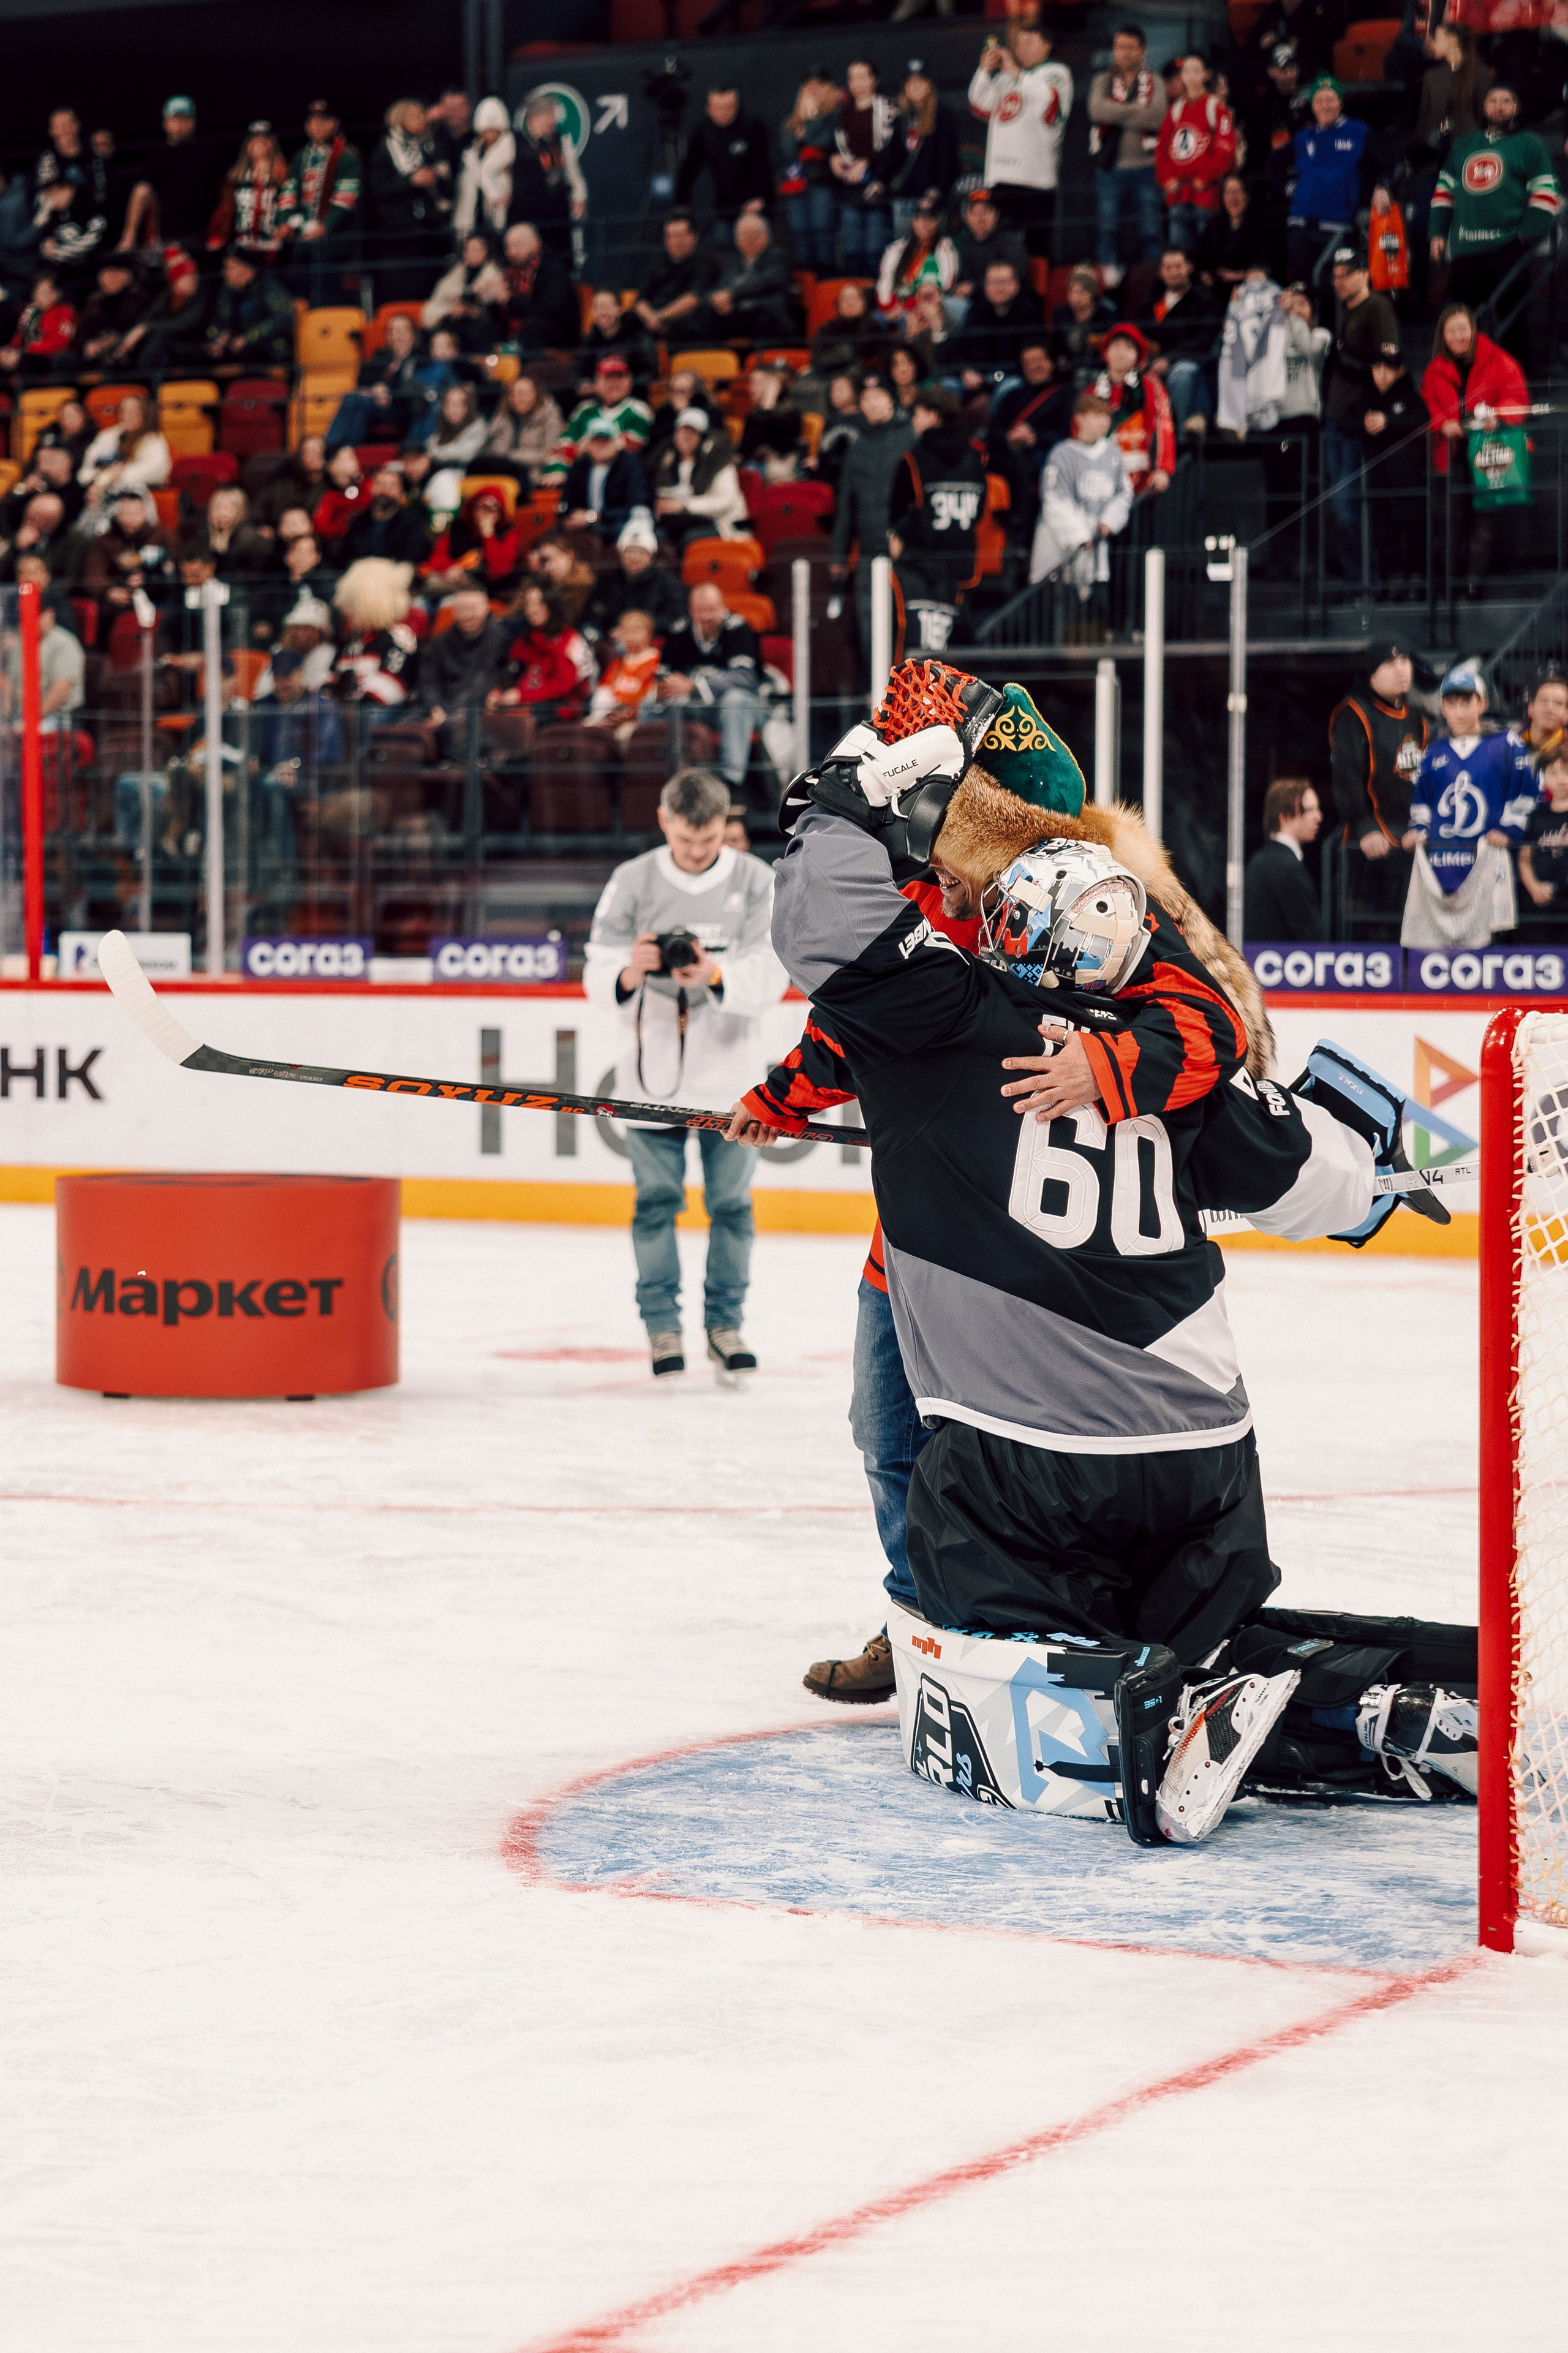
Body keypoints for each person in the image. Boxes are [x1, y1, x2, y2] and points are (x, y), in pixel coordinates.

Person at [584, 765, 786, 1378]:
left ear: (725, 827)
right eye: (685, 840)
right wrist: (628, 971)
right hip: (650, 1078)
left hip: (732, 1083)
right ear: (665, 822)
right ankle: (663, 1331)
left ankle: (725, 1325)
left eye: (708, 841)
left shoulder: (756, 880)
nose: (697, 852)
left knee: (731, 1206)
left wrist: (716, 977)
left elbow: (772, 970)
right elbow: (597, 966)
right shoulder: (632, 879)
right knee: (654, 1204)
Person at [1404, 661, 1534, 948]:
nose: (1460, 712)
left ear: (1483, 703)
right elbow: (1422, 802)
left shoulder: (1506, 744)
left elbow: (1525, 793)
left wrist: (1509, 829)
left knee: (1491, 946)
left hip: (1488, 864)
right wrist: (1418, 829)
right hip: (1443, 866)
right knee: (1438, 951)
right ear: (1443, 707)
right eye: (1452, 704)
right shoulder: (1433, 751)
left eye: (1467, 702)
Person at [1430, 81, 1560, 351]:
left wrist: (1526, 234)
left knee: (1511, 323)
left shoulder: (1530, 144)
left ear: (1516, 108)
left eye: (1505, 101)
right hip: (1466, 248)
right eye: (1493, 101)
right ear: (1484, 106)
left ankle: (1515, 385)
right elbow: (1444, 193)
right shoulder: (1465, 144)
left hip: (1508, 247)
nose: (1498, 108)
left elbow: (1546, 193)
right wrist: (1437, 233)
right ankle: (1465, 380)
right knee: (1462, 324)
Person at [1420, 302, 1527, 597]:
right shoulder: (1434, 370)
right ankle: (1450, 584)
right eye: (1451, 331)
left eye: (1463, 329)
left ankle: (1473, 584)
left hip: (1488, 452)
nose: (1458, 336)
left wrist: (1499, 415)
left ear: (1473, 329)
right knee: (1449, 522)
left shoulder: (1498, 360)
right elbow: (1427, 405)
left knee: (1485, 520)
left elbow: (1517, 396)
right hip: (1451, 455)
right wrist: (1443, 425)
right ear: (1443, 335)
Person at [1329, 638, 1428, 934]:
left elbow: (1428, 783)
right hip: (1368, 848)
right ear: (1372, 674)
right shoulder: (1353, 712)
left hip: (1411, 842)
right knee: (1370, 931)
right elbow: (1345, 776)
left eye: (1405, 661)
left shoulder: (1420, 719)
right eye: (1390, 663)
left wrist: (1423, 825)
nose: (1401, 670)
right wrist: (1364, 826)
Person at [1319, 244, 1399, 586]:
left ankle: (1369, 581)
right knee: (1341, 510)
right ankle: (1358, 580)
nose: (1339, 282)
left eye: (1346, 275)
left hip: (1357, 422)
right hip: (1335, 422)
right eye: (1336, 276)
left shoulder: (1377, 306)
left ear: (1364, 273)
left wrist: (1349, 359)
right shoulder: (1345, 311)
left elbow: (1390, 364)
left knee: (1350, 508)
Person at [887, 386, 986, 655]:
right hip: (965, 567)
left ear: (933, 415)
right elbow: (980, 509)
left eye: (917, 413)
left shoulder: (912, 459)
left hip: (922, 569)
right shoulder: (977, 457)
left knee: (921, 650)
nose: (913, 420)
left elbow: (898, 514)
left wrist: (902, 535)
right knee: (959, 660)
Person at [967, 24, 1074, 261]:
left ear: (1046, 45)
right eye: (1019, 42)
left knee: (1035, 250)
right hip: (1001, 176)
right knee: (999, 249)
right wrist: (984, 71)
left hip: (1034, 180)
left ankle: (1035, 298)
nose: (1021, 48)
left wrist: (1016, 73)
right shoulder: (1008, 78)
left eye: (1029, 42)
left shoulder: (1056, 72)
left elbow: (1049, 103)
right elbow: (979, 105)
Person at [1030, 388, 1134, 624]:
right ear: (1079, 419)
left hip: (1098, 547)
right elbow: (1054, 499)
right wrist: (1079, 534)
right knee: (1061, 611)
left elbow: (1124, 493)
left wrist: (1110, 521)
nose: (1104, 422)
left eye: (1106, 416)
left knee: (1095, 612)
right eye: (1096, 415)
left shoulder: (1113, 454)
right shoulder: (1062, 454)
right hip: (1065, 547)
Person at [829, 376, 914, 663]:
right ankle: (877, 693)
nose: (871, 404)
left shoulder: (912, 438)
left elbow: (920, 497)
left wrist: (906, 535)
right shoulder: (857, 448)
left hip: (908, 552)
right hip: (869, 553)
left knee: (906, 623)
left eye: (878, 396)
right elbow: (846, 506)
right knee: (870, 624)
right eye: (866, 399)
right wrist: (839, 555)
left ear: (891, 400)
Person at [657, 583, 763, 790]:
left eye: (712, 610)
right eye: (700, 611)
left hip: (747, 708)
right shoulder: (679, 630)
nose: (706, 617)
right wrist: (669, 685)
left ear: (723, 607)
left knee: (736, 699)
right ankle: (661, 776)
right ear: (691, 610)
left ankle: (731, 782)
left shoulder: (739, 628)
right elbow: (663, 674)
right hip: (696, 707)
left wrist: (694, 685)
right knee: (651, 704)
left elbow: (746, 678)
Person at [1088, 25, 1168, 281]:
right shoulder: (1103, 80)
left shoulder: (1155, 81)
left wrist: (1118, 113)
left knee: (1151, 230)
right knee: (1107, 230)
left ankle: (1151, 280)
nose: (1124, 53)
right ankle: (1109, 284)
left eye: (1130, 47)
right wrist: (1136, 112)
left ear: (1142, 51)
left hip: (1147, 167)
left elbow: (1157, 118)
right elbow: (1096, 111)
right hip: (1111, 169)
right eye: (1119, 47)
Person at [987, 339, 1074, 561]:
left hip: (1045, 457)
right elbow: (993, 432)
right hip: (1006, 455)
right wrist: (1009, 437)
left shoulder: (1065, 395)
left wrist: (1034, 438)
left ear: (1051, 363)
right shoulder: (1012, 396)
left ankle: (1019, 535)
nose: (1035, 366)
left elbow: (1067, 433)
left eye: (1039, 360)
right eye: (1029, 362)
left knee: (1021, 463)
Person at [1352, 341, 1430, 588]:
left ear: (1400, 371)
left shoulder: (1409, 395)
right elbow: (1346, 421)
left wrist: (1389, 421)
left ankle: (1418, 577)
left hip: (1409, 480)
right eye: (1378, 367)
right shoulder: (1365, 397)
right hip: (1379, 481)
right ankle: (1394, 579)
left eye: (1390, 368)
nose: (1383, 373)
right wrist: (1364, 423)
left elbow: (1422, 419)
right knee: (1384, 530)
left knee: (1413, 526)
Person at [1287, 78, 1371, 287]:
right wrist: (1289, 188)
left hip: (1336, 226)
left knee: (1332, 287)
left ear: (1341, 102)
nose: (1326, 105)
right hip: (1299, 225)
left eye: (1331, 99)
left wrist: (1381, 187)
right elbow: (1273, 164)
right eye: (1320, 101)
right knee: (1302, 287)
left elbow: (1380, 166)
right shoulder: (1303, 137)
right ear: (1313, 106)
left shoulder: (1358, 132)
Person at [279, 100, 362, 302]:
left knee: (327, 298)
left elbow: (346, 198)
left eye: (324, 121)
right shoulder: (301, 156)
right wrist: (286, 221)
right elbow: (289, 190)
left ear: (334, 124)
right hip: (302, 243)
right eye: (313, 121)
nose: (317, 126)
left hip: (333, 246)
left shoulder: (346, 157)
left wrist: (325, 227)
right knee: (298, 298)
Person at [369, 99, 451, 300]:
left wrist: (436, 176)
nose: (423, 120)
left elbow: (448, 180)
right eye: (416, 116)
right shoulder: (385, 150)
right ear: (400, 120)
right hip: (401, 238)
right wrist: (410, 181)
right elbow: (378, 188)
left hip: (432, 234)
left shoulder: (431, 145)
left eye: (423, 115)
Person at [1155, 53, 1237, 255]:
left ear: (1206, 75)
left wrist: (1205, 177)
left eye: (1196, 71)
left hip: (1206, 196)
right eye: (1186, 72)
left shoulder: (1215, 107)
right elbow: (1161, 150)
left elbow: (1225, 148)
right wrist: (1166, 179)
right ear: (1181, 76)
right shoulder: (1176, 110)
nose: (1191, 76)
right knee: (1181, 254)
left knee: (1208, 253)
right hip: (1178, 196)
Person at [120, 96, 222, 254]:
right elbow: (142, 192)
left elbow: (227, 192)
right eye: (175, 119)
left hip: (205, 238)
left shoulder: (211, 153)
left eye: (185, 119)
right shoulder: (157, 156)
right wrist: (129, 237)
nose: (180, 125)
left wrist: (221, 233)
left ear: (194, 121)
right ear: (165, 123)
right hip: (168, 239)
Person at [423, 579, 513, 756]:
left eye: (473, 608)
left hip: (475, 711)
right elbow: (428, 680)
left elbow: (485, 681)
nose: (467, 615)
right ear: (454, 611)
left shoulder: (501, 639)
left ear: (487, 607)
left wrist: (447, 715)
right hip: (440, 711)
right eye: (462, 609)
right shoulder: (440, 642)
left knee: (459, 726)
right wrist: (435, 707)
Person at [674, 86, 772, 247]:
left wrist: (760, 198)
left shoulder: (752, 127)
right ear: (708, 109)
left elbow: (764, 166)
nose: (723, 113)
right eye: (718, 108)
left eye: (729, 107)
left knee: (756, 248)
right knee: (723, 252)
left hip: (754, 209)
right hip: (724, 210)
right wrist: (681, 207)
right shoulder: (703, 133)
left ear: (737, 107)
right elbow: (688, 172)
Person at [1137, 245, 1221, 435]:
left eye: (1178, 266)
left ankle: (1183, 441)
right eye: (1168, 268)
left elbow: (1205, 340)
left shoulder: (1204, 299)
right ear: (1160, 271)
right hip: (1152, 362)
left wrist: (1170, 359)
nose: (1173, 272)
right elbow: (1140, 333)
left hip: (1190, 361)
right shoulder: (1151, 300)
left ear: (1189, 268)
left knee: (1182, 374)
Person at [830, 61, 903, 275]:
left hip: (877, 192)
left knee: (875, 251)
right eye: (852, 78)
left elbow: (895, 150)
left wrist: (867, 162)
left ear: (874, 80)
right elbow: (835, 147)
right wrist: (834, 159)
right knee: (852, 252)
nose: (857, 83)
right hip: (850, 192)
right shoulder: (842, 114)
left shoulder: (889, 109)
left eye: (863, 77)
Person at [1093, 323, 1174, 494]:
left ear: (1138, 356)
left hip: (1141, 480)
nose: (1121, 352)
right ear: (1106, 353)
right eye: (1115, 346)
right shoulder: (1092, 391)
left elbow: (1163, 424)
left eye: (1128, 347)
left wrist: (1162, 468)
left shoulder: (1150, 385)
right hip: (1099, 480)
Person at [330, 556, 420, 711]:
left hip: (380, 717)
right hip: (349, 716)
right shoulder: (353, 640)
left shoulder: (399, 636)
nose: (346, 611)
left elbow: (390, 688)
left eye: (353, 604)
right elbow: (332, 679)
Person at [652, 409, 748, 544]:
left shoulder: (718, 461)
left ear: (703, 437)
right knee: (658, 537)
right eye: (682, 431)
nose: (686, 437)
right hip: (682, 522)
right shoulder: (668, 460)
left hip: (722, 524)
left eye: (692, 433)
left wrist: (684, 506)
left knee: (689, 540)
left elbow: (725, 502)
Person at [507, 94, 586, 260]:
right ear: (534, 118)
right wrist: (497, 193)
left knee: (561, 260)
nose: (553, 122)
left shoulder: (561, 140)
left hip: (558, 216)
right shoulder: (514, 141)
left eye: (553, 116)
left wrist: (580, 197)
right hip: (528, 217)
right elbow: (489, 169)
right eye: (548, 116)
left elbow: (574, 176)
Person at [778, 70, 841, 275]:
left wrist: (811, 122)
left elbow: (824, 144)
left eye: (819, 85)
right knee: (800, 239)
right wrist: (802, 124)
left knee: (822, 236)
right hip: (795, 188)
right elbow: (787, 154)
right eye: (808, 85)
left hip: (821, 185)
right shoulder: (791, 123)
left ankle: (827, 284)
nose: (813, 89)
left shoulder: (835, 116)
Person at [1244, 776, 1323, 939]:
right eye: (1309, 810)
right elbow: (1311, 937)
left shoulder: (1259, 861)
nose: (1318, 817)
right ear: (1284, 816)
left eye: (1317, 809)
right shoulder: (1288, 868)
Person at [585, 516, 688, 640]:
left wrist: (639, 631)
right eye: (630, 551)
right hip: (614, 640)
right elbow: (596, 613)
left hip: (653, 639)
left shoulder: (667, 582)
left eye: (641, 553)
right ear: (621, 555)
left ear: (651, 557)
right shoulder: (607, 581)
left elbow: (675, 616)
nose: (635, 558)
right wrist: (609, 631)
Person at [888, 61, 959, 237]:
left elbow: (948, 157)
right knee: (905, 246)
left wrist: (939, 188)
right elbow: (891, 156)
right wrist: (880, 181)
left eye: (921, 81)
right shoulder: (902, 118)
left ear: (929, 85)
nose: (916, 87)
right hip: (906, 196)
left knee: (933, 245)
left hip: (932, 197)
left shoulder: (943, 115)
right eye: (910, 83)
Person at [633, 212, 722, 346]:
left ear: (694, 237)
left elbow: (694, 298)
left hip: (682, 320)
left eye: (680, 236)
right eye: (670, 236)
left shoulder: (706, 261)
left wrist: (661, 317)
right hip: (652, 319)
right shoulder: (658, 261)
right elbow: (640, 300)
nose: (674, 242)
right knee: (625, 322)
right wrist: (651, 318)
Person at [952, 259, 1039, 393]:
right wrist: (965, 371)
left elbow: (1029, 356)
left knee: (1010, 386)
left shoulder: (1028, 311)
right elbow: (959, 348)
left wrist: (994, 378)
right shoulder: (976, 310)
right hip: (975, 378)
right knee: (948, 386)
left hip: (1012, 378)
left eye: (1003, 282)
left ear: (1016, 285)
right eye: (993, 283)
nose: (998, 288)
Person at [562, 415, 652, 542]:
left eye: (606, 440)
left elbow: (636, 506)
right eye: (596, 440)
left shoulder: (631, 465)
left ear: (617, 443)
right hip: (584, 525)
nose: (601, 445)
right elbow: (567, 502)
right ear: (587, 444)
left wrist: (593, 517)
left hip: (618, 525)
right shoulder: (579, 466)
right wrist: (570, 517)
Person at [707, 214, 796, 343]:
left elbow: (768, 281)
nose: (749, 239)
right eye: (743, 235)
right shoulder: (734, 262)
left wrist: (732, 295)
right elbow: (721, 288)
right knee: (707, 317)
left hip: (767, 313)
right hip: (738, 314)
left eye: (755, 234)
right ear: (736, 240)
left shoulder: (778, 256)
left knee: (764, 321)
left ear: (767, 236)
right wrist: (717, 300)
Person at [203, 246, 295, 368]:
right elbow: (218, 320)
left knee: (251, 353)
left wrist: (248, 338)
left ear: (247, 268)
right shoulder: (228, 293)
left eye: (230, 268)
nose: (224, 273)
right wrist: (218, 338)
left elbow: (285, 319)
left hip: (269, 348)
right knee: (201, 355)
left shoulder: (268, 287)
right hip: (235, 346)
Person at [78, 391, 171, 512]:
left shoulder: (153, 440)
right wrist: (104, 478)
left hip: (137, 499)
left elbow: (158, 471)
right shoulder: (107, 437)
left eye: (133, 412)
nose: (127, 416)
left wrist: (119, 475)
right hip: (101, 496)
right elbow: (83, 475)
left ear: (144, 414)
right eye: (123, 411)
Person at [423, 487, 521, 600]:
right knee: (427, 590)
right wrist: (452, 568)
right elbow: (437, 558)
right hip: (452, 581)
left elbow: (499, 571)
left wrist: (489, 536)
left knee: (447, 600)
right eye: (483, 507)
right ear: (473, 509)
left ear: (500, 512)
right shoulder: (458, 528)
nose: (487, 513)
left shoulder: (509, 533)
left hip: (487, 588)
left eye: (493, 508)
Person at [206, 121, 289, 255]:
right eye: (254, 140)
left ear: (272, 143)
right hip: (242, 245)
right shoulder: (235, 178)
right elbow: (225, 211)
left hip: (273, 246)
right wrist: (218, 236)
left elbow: (289, 209)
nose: (259, 143)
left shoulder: (283, 177)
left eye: (264, 139)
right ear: (248, 145)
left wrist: (283, 232)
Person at [585, 607, 663, 741]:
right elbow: (604, 692)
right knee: (586, 730)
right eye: (627, 631)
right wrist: (605, 715)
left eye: (637, 631)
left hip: (640, 719)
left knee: (625, 735)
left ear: (649, 634)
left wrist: (631, 714)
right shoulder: (619, 663)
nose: (631, 636)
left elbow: (653, 696)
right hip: (614, 715)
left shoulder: (656, 661)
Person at [499, 221, 577, 353]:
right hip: (521, 333)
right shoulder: (510, 272)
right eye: (508, 247)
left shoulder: (554, 270)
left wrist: (509, 302)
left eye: (517, 246)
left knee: (533, 326)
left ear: (536, 244)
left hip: (556, 333)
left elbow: (549, 310)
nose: (511, 253)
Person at [876, 198, 957, 321]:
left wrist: (908, 308)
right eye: (919, 219)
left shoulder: (946, 248)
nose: (924, 224)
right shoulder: (896, 249)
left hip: (931, 308)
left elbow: (946, 285)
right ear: (913, 221)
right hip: (893, 309)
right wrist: (890, 308)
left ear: (937, 222)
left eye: (930, 219)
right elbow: (884, 282)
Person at [481, 372, 564, 489]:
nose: (518, 398)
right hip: (503, 473)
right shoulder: (504, 415)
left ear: (536, 394)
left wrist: (510, 456)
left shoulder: (550, 415)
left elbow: (547, 454)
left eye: (524, 393)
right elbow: (492, 450)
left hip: (536, 473)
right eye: (514, 394)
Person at [339, 465, 430, 569]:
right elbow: (347, 558)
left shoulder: (413, 523)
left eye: (391, 486)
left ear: (401, 493)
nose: (384, 491)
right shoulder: (357, 522)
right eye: (380, 485)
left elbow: (411, 561)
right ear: (371, 488)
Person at [74, 255, 152, 368]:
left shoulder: (139, 298)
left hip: (124, 348)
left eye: (115, 274)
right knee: (65, 359)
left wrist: (110, 342)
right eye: (106, 274)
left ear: (128, 276)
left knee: (112, 357)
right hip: (94, 348)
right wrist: (86, 344)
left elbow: (137, 328)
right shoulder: (94, 300)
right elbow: (82, 331)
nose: (110, 279)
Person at [453, 97, 513, 241]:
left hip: (502, 216)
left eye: (494, 131)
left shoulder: (510, 147)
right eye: (485, 131)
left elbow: (489, 174)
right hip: (475, 215)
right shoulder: (474, 151)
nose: (489, 135)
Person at [576, 289, 657, 392]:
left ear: (620, 309)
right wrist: (583, 383)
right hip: (599, 399)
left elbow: (651, 373)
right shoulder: (591, 339)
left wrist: (623, 385)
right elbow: (580, 373)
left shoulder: (636, 333)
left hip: (632, 397)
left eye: (606, 307)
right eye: (597, 308)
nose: (602, 312)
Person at [1518, 747, 1568, 916]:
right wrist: (1534, 887)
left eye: (1566, 773)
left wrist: (1559, 887)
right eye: (1553, 774)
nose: (1561, 780)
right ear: (1544, 779)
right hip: (1539, 903)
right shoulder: (1536, 816)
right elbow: (1525, 860)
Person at [737, 361, 804, 483]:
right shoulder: (755, 415)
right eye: (751, 382)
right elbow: (745, 449)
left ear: (771, 385)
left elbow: (782, 447)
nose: (751, 388)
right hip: (755, 467)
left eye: (757, 383)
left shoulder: (791, 412)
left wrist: (768, 403)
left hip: (780, 467)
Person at [0, 268, 74, 377]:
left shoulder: (65, 311)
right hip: (25, 353)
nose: (46, 297)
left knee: (25, 361)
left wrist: (26, 351)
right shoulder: (30, 311)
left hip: (47, 357)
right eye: (41, 293)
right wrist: (9, 351)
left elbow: (61, 342)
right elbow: (20, 336)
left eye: (49, 292)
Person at [1050, 263, 1117, 379]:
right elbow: (1055, 344)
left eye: (1082, 292)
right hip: (1067, 373)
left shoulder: (1106, 314)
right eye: (1072, 292)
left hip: (1098, 371)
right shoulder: (1060, 315)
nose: (1076, 297)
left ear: (1092, 293)